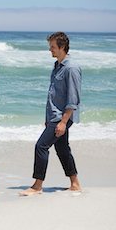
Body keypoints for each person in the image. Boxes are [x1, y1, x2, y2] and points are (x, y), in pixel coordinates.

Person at [20, 32, 82, 196]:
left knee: (41, 146)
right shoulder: (57, 66)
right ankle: (75, 183)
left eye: (53, 47)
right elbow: (54, 94)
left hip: (62, 117)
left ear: (62, 47)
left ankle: (37, 186)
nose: (50, 50)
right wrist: (48, 118)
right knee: (62, 150)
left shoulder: (71, 68)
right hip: (54, 116)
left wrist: (63, 122)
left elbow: (73, 99)